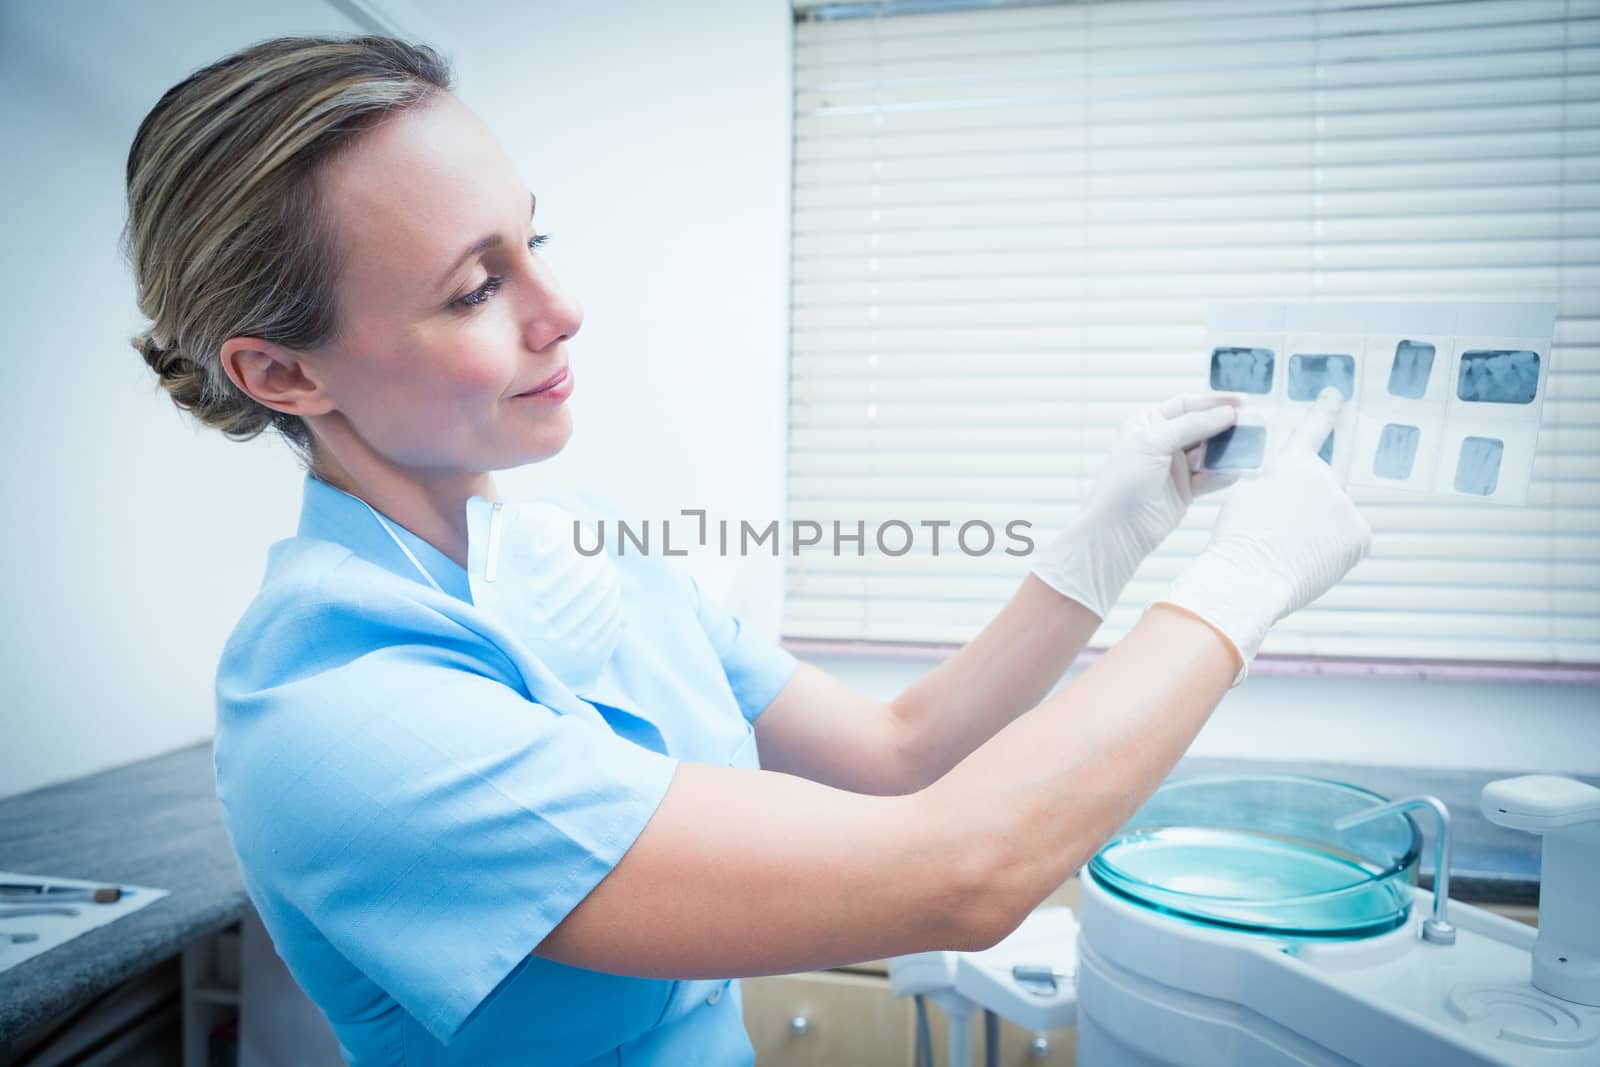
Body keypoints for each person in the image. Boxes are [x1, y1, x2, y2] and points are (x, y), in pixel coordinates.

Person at [122, 34, 1370, 1067]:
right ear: (281, 371)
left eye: (532, 244)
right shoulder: (340, 712)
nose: (561, 313)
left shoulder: (578, 555)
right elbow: (961, 867)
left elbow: (897, 756)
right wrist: (1236, 589)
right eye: (471, 288)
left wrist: (1102, 549)